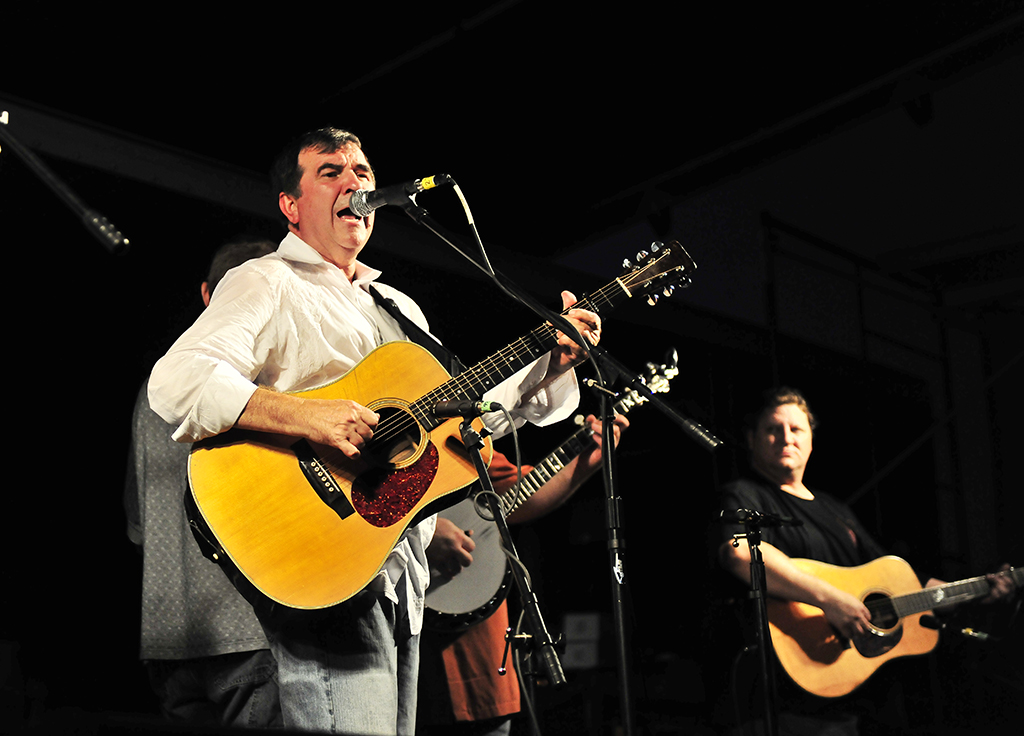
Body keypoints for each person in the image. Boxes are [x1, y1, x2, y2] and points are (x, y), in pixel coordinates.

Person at [147, 127, 599, 734]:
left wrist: (553, 364)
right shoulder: (267, 280)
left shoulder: (397, 306)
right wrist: (308, 416)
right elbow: (177, 380)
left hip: (397, 572)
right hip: (323, 554)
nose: (354, 181)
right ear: (290, 205)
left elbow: (467, 421)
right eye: (330, 171)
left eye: (362, 171)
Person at [716, 387, 1015, 735]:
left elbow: (900, 578)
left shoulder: (835, 510)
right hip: (785, 699)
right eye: (773, 429)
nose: (786, 437)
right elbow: (740, 553)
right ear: (751, 439)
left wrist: (975, 591)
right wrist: (830, 600)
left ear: (811, 440)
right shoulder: (744, 493)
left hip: (858, 699)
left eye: (796, 429)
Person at [125, 239, 280, 728]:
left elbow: (137, 526)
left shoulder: (153, 389)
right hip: (247, 632)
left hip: (169, 638)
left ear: (206, 294)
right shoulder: (267, 392)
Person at [419, 413, 629, 736]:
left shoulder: (458, 431)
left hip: (476, 650)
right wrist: (425, 532)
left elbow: (519, 493)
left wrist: (590, 460)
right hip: (407, 650)